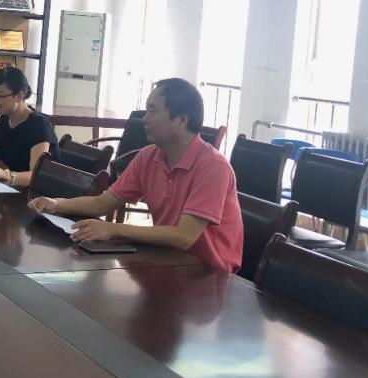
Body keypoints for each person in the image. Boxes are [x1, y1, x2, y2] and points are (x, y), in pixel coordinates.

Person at [28, 78, 243, 273]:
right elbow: (102, 203)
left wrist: (113, 229)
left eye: (152, 112)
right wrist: (56, 204)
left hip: (209, 275)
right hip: (167, 260)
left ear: (181, 120)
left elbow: (184, 236)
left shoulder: (213, 167)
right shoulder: (149, 156)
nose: (145, 120)